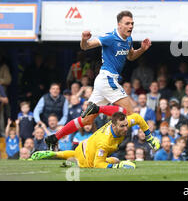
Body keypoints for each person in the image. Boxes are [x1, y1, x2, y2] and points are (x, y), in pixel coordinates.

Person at [45, 11, 152, 150]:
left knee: (87, 119)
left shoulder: (129, 39)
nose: (131, 26)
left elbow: (131, 56)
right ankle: (99, 111)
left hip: (104, 81)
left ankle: (54, 138)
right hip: (108, 79)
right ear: (119, 25)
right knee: (130, 115)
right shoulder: (110, 37)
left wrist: (142, 49)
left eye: (132, 23)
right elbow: (85, 46)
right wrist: (84, 39)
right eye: (127, 23)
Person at [31, 112, 159, 168]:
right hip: (88, 158)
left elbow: (138, 118)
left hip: (85, 145)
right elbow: (98, 165)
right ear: (113, 126)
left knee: (76, 154)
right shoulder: (105, 141)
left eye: (126, 125)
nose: (126, 128)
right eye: (122, 126)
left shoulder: (124, 122)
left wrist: (150, 138)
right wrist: (118, 167)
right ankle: (68, 161)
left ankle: (54, 154)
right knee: (115, 161)